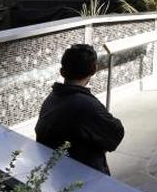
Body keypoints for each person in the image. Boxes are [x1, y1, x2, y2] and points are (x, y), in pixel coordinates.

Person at [35, 44, 125, 175]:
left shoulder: (52, 99)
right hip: (82, 180)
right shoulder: (86, 105)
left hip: (55, 174)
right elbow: (115, 134)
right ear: (94, 69)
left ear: (62, 71)